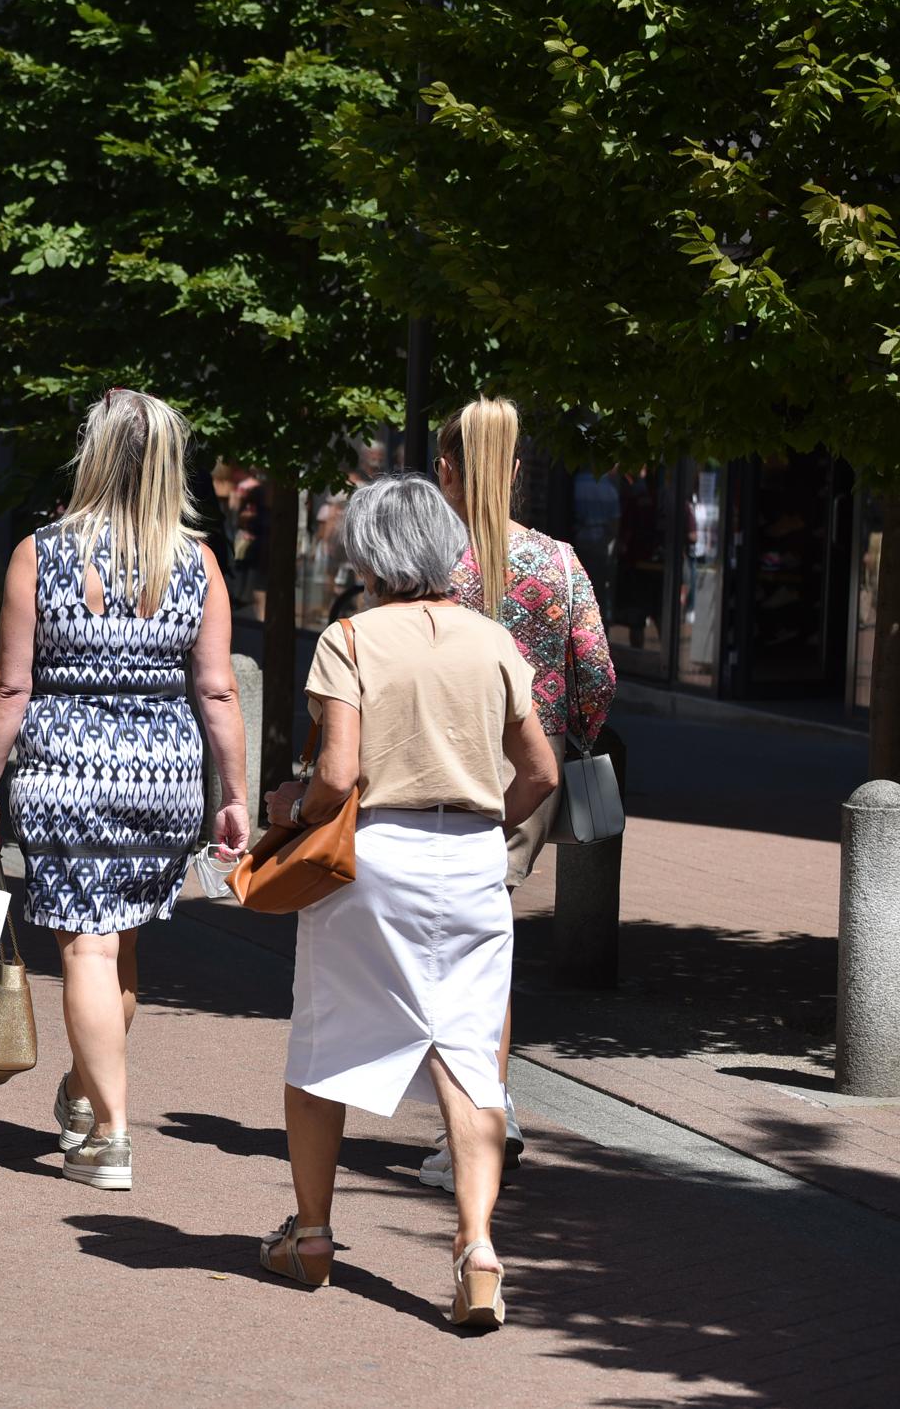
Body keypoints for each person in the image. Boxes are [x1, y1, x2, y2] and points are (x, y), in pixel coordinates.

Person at [255, 472, 556, 1328]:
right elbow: (539, 771)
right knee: (471, 1058)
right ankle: (477, 1248)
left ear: (369, 549)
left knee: (322, 1046)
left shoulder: (350, 638)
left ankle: (312, 1235)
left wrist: (292, 807)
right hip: (469, 859)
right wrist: (487, 827)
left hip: (374, 855)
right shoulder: (492, 639)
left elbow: (340, 773)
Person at [0, 389, 248, 1191]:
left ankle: (111, 1138)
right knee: (120, 943)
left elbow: (9, 686)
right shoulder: (196, 562)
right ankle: (88, 1095)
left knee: (87, 944)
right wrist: (232, 793)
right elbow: (219, 690)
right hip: (163, 769)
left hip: (67, 767)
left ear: (90, 457)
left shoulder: (41, 552)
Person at [430, 396, 617, 1188]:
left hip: (438, 765)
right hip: (526, 774)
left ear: (446, 470)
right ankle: (487, 1107)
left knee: (445, 953)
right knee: (484, 940)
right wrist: (568, 726)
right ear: (513, 471)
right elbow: (598, 672)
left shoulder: (431, 563)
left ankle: (479, 1116)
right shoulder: (558, 560)